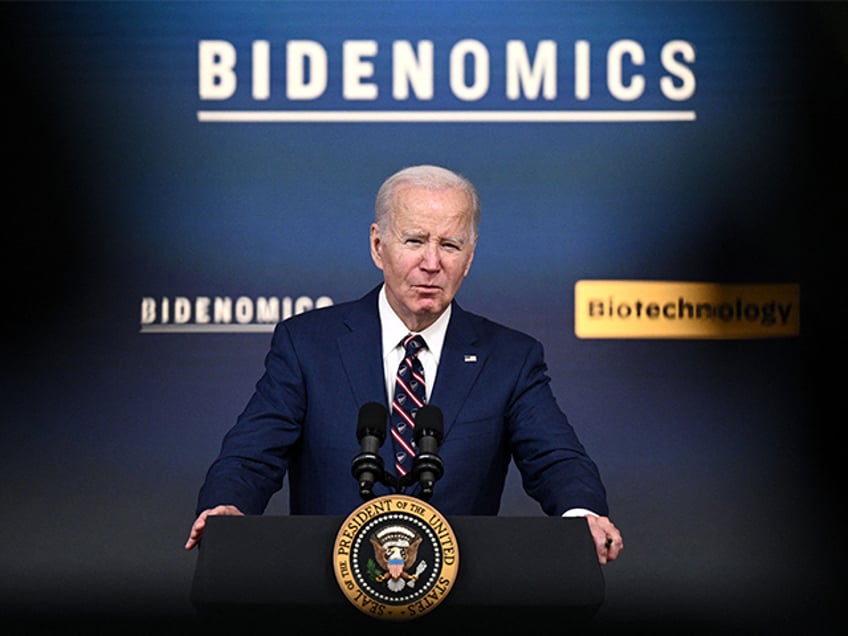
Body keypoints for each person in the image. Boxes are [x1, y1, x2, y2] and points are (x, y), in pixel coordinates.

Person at [185, 164, 623, 564]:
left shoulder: (509, 358)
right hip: (325, 595)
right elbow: (251, 455)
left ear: (469, 258)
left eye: (449, 245)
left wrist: (580, 513)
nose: (431, 263)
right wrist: (228, 507)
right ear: (378, 245)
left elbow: (556, 459)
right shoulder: (308, 345)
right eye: (414, 241)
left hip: (461, 598)